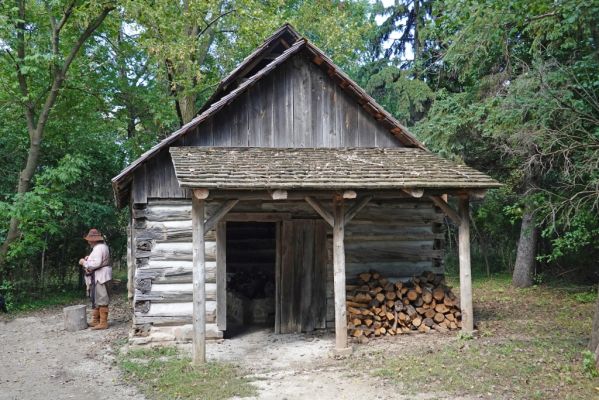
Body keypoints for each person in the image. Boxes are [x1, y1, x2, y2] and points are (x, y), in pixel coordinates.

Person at [79, 228, 112, 330]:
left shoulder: (98, 248)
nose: (88, 242)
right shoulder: (101, 247)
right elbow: (98, 260)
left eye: (89, 239)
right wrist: (89, 258)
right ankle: (96, 320)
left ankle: (103, 323)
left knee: (102, 298)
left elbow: (96, 263)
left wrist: (84, 262)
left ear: (93, 240)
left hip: (100, 277)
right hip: (100, 276)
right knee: (97, 298)